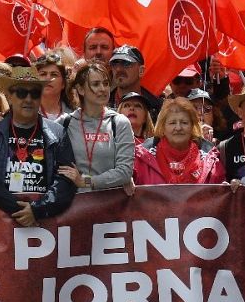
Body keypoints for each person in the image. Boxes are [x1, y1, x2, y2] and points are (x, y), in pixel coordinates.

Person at [0, 67, 76, 226]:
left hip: (45, 222)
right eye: (21, 93)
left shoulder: (58, 132)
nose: (28, 99)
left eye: (34, 93)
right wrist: (18, 209)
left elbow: (66, 180)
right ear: (10, 97)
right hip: (0, 221)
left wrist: (37, 210)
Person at [58, 63, 134, 193]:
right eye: (96, 84)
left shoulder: (119, 122)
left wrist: (86, 181)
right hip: (73, 207)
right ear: (81, 89)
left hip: (111, 206)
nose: (103, 89)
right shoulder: (64, 122)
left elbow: (125, 171)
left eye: (106, 83)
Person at [137, 97, 224, 185]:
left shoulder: (210, 157)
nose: (178, 128)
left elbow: (219, 192)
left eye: (184, 123)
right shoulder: (141, 157)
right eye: (172, 123)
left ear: (192, 127)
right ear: (163, 127)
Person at [107, 45, 160, 119]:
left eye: (126, 63)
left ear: (141, 71)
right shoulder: (102, 104)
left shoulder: (157, 107)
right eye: (114, 64)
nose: (119, 69)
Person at [34, 51, 71, 120]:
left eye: (54, 74)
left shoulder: (75, 116)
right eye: (43, 74)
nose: (48, 78)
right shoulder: (25, 113)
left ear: (63, 83)